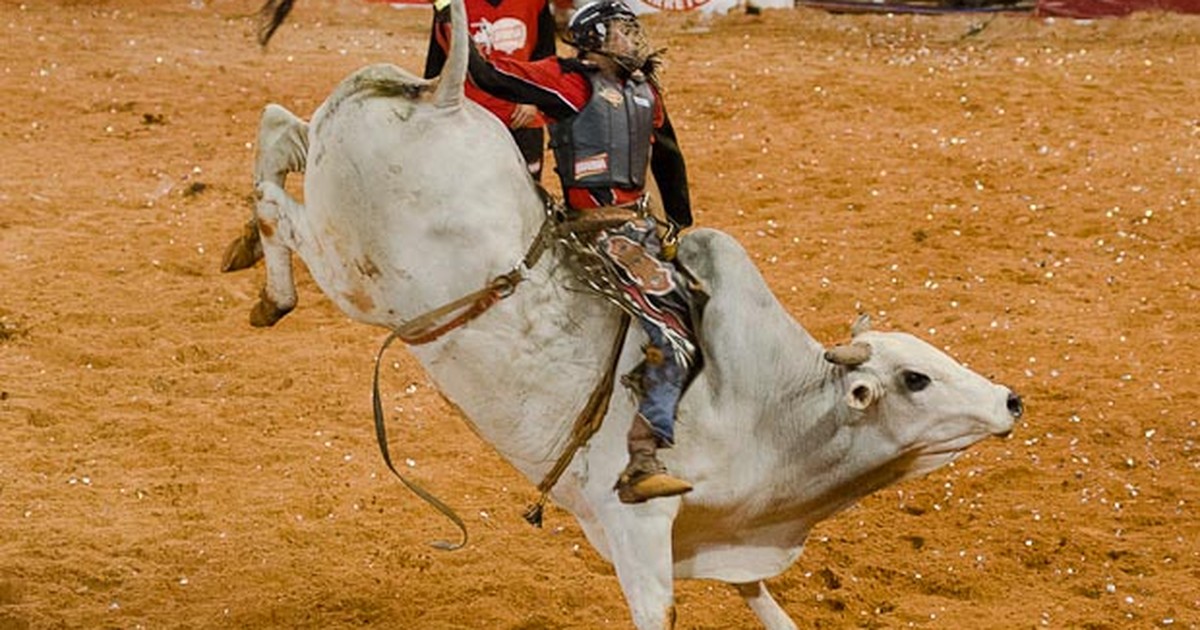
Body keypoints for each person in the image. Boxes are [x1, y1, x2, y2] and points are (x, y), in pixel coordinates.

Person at [461, 0, 697, 504]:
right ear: (593, 40)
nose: (633, 39)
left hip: (640, 228)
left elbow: (669, 156)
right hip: (599, 230)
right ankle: (643, 456)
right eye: (622, 31)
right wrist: (446, 14)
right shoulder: (568, 82)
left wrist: (680, 224)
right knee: (674, 319)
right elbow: (487, 75)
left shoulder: (645, 91)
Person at [425, 0, 558, 181]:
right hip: (468, 120)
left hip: (520, 118)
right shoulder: (453, 4)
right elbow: (436, 66)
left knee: (528, 192)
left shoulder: (536, 2)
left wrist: (533, 100)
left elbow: (545, 56)